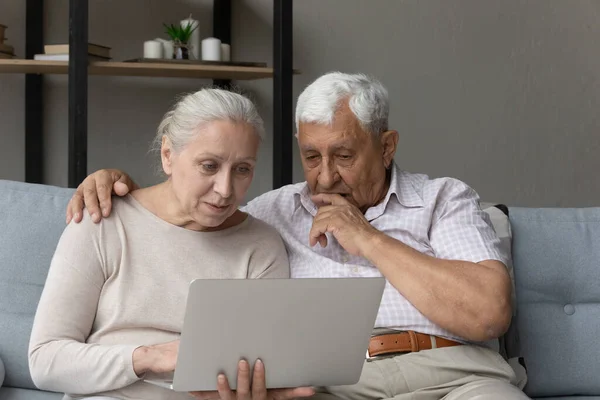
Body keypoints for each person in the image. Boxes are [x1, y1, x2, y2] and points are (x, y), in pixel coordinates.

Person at [66, 72, 530, 400]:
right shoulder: (273, 212)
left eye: (344, 156)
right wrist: (117, 185)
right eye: (311, 156)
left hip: (457, 378)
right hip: (332, 387)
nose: (325, 177)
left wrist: (366, 237)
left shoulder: (442, 200)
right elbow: (188, 218)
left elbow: (489, 314)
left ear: (386, 147)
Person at [29, 88, 315, 400]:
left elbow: (262, 364)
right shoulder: (103, 221)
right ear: (168, 155)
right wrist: (151, 357)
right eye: (208, 165)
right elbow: (45, 360)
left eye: (242, 169)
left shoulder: (261, 246)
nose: (224, 189)